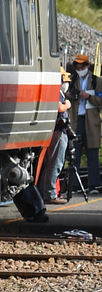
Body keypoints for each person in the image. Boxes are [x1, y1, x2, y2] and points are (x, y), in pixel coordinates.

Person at [37, 69, 74, 204]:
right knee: (55, 164)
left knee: (51, 163)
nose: (66, 84)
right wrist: (67, 105)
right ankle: (50, 194)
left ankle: (45, 192)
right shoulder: (55, 92)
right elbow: (59, 108)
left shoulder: (56, 92)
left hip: (56, 131)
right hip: (58, 132)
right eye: (64, 80)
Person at [67, 53, 102, 193]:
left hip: (91, 122)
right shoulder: (72, 79)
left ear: (88, 66)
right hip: (76, 121)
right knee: (74, 154)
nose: (80, 69)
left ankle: (94, 185)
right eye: (78, 67)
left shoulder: (96, 81)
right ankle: (74, 186)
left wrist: (89, 97)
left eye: (82, 66)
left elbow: (100, 100)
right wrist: (70, 95)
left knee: (92, 154)